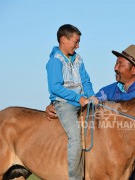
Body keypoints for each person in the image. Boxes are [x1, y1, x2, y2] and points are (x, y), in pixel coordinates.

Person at [45, 44, 135, 179]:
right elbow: (88, 105)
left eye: (120, 64)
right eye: (116, 63)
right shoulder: (108, 91)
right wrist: (57, 106)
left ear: (133, 69)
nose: (115, 68)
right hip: (119, 162)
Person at [46, 24, 98, 180]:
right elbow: (55, 87)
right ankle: (75, 177)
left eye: (79, 42)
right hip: (64, 103)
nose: (78, 45)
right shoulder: (55, 61)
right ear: (63, 40)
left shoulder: (79, 59)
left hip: (82, 101)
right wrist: (78, 98)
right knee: (75, 137)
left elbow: (86, 81)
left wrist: (91, 95)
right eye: (76, 41)